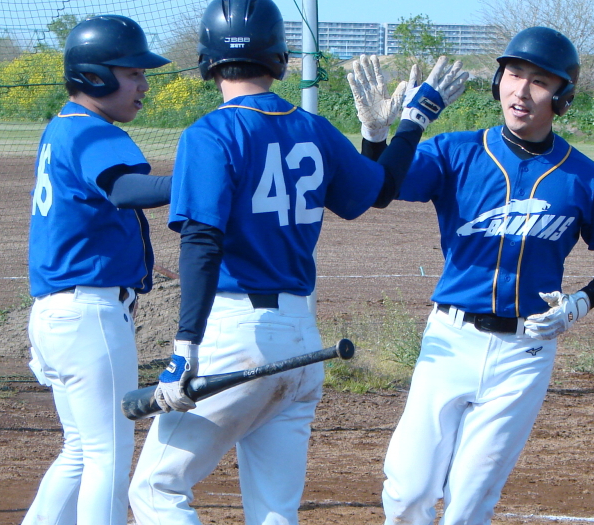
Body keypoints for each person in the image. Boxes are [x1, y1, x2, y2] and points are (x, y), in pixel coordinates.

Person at [127, 0, 468, 524]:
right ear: (279, 59)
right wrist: (408, 124)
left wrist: (184, 348)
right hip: (302, 341)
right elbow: (376, 192)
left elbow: (202, 241)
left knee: (156, 489)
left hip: (235, 335)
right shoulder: (311, 127)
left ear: (206, 61)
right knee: (275, 510)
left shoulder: (210, 132)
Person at [355, 26, 594, 525]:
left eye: (539, 81)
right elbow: (379, 189)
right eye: (513, 74)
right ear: (497, 81)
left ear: (563, 98)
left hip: (524, 352)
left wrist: (580, 303)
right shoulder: (457, 152)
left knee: (469, 503)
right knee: (407, 491)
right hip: (449, 340)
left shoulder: (582, 175)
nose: (521, 91)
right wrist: (376, 138)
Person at [24, 15, 171, 525]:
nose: (143, 85)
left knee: (81, 450)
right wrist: (202, 177)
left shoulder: (62, 125)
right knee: (108, 454)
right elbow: (126, 190)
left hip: (57, 314)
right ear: (94, 76)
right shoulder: (91, 129)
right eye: (132, 74)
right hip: (88, 315)